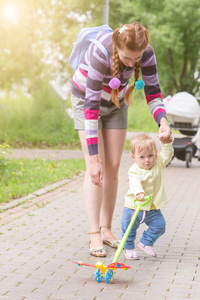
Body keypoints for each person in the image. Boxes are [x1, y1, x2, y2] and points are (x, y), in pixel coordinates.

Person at [70, 22, 172, 257]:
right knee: (94, 167)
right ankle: (94, 233)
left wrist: (163, 122)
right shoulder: (99, 52)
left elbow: (153, 92)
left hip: (116, 102)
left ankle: (106, 229)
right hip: (87, 100)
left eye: (136, 59)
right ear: (117, 47)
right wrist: (94, 157)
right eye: (127, 58)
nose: (132, 63)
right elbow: (91, 107)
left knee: (113, 166)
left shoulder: (145, 53)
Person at [121, 133, 174, 259]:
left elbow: (167, 155)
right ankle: (128, 248)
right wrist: (139, 192)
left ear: (155, 153)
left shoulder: (158, 163)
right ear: (134, 157)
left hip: (151, 207)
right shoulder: (134, 170)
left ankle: (146, 243)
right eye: (142, 157)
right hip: (134, 207)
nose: (147, 160)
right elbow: (135, 182)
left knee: (160, 225)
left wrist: (166, 144)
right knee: (128, 229)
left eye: (150, 155)